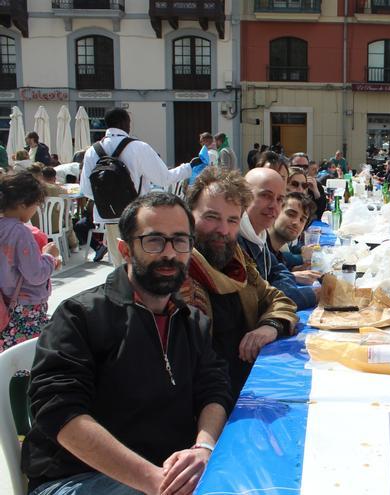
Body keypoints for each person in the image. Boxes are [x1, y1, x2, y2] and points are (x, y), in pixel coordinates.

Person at [22, 192, 233, 494]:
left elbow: (214, 388)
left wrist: (204, 448)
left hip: (164, 471)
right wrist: (154, 481)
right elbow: (59, 411)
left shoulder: (191, 321)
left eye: (180, 240)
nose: (169, 253)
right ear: (125, 250)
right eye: (154, 240)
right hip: (75, 477)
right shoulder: (81, 316)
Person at [181, 167, 298, 397]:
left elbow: (277, 298)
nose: (223, 230)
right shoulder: (178, 276)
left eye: (232, 220)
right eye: (211, 217)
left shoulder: (236, 260)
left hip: (250, 388)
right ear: (189, 217)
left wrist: (270, 326)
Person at [80, 108, 193, 267]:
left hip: (109, 217)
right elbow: (164, 178)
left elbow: (86, 190)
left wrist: (110, 199)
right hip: (136, 215)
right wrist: (188, 168)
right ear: (124, 123)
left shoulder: (92, 151)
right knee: (141, 263)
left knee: (119, 265)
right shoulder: (139, 147)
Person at [238, 167, 318, 309]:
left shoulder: (258, 237)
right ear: (243, 197)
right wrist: (317, 294)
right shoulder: (235, 241)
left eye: (279, 199)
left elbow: (280, 273)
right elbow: (263, 300)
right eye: (266, 195)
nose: (273, 205)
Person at [0, 172, 60, 350]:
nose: (36, 209)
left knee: (8, 355)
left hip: (4, 302)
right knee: (29, 354)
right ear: (22, 204)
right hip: (25, 307)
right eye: (36, 204)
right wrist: (49, 256)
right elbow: (36, 274)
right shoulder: (20, 232)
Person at [268, 192, 321, 285]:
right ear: (275, 212)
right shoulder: (259, 248)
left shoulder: (277, 254)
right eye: (291, 214)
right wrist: (292, 276)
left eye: (302, 219)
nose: (296, 222)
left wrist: (295, 270)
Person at [297, 154, 327, 219]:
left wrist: (316, 191)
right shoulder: (289, 184)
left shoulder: (317, 185)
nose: (316, 171)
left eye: (317, 169)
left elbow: (321, 211)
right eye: (313, 169)